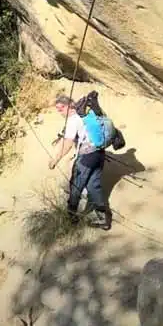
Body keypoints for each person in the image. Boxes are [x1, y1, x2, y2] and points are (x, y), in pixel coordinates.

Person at [49, 94, 112, 230]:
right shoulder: (88, 113)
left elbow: (68, 143)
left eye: (60, 109)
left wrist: (55, 160)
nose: (59, 112)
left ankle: (71, 217)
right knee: (93, 186)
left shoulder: (73, 120)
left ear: (67, 106)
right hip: (99, 153)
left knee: (76, 186)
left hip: (86, 158)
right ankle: (104, 219)